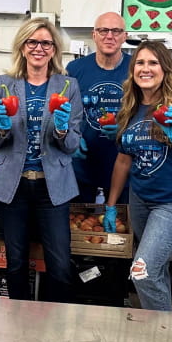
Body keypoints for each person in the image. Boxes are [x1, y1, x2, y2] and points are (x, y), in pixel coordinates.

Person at [104, 41, 172, 311]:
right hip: (140, 199)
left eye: (153, 63)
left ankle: (164, 334)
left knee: (143, 270)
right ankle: (158, 332)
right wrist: (111, 205)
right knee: (156, 267)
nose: (146, 69)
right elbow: (123, 159)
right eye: (140, 63)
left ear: (165, 68)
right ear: (133, 70)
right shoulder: (129, 106)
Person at [0, 17, 83, 303]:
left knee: (60, 265)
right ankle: (20, 325)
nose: (39, 48)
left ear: (54, 50)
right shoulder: (4, 84)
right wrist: (2, 127)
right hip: (11, 186)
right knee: (15, 263)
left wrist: (62, 129)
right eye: (33, 42)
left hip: (52, 187)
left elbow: (73, 145)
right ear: (23, 47)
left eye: (46, 43)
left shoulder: (68, 86)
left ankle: (54, 327)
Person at [66, 12, 130, 203]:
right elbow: (62, 110)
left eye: (116, 31)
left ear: (124, 36)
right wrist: (71, 137)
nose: (109, 36)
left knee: (121, 227)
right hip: (83, 163)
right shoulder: (75, 69)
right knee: (81, 225)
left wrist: (125, 130)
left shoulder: (136, 68)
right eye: (103, 30)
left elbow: (147, 111)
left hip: (124, 162)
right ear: (94, 35)